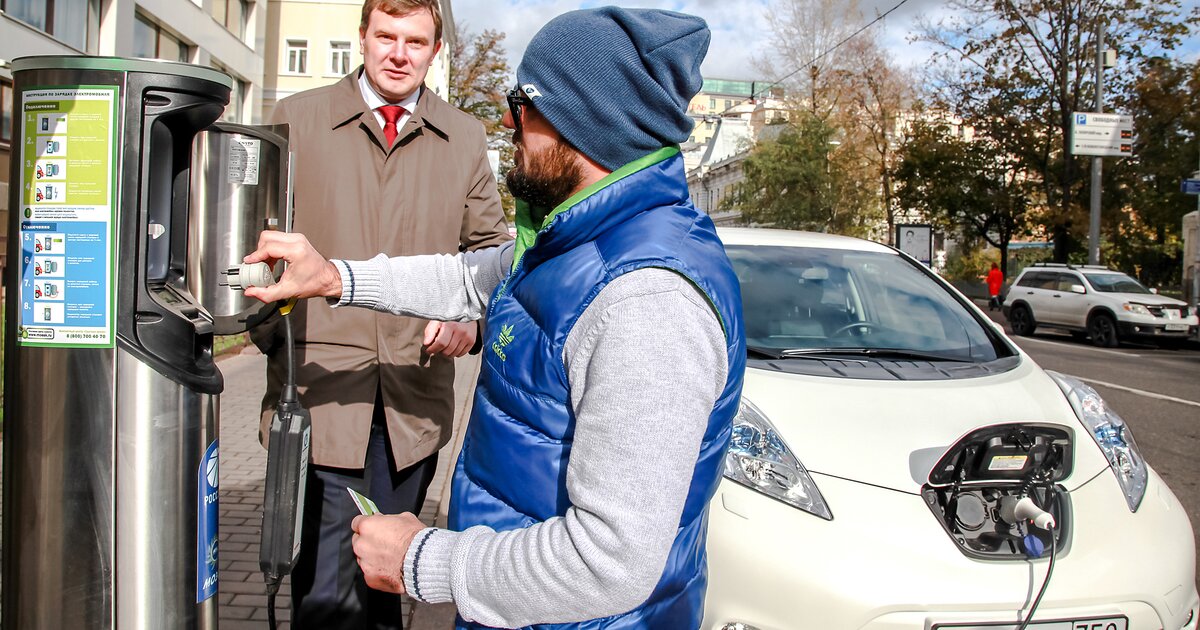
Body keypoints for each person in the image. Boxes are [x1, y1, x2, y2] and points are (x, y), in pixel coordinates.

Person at [245, 7, 745, 628]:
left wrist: (420, 559)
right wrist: (334, 278)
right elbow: (466, 277)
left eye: (524, 102)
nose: (510, 120)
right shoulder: (571, 237)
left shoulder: (646, 301)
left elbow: (609, 561)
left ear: (582, 120)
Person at [255, 0, 509, 627]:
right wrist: (274, 339)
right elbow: (258, 240)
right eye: (387, 37)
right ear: (362, 38)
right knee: (324, 595)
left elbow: (492, 256)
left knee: (388, 587)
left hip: (410, 405)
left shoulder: (464, 137)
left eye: (416, 41)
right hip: (319, 398)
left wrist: (469, 325)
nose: (400, 53)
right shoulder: (298, 119)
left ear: (435, 50)